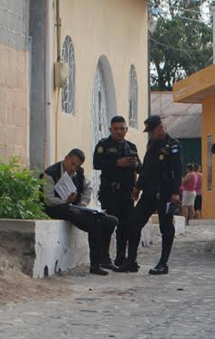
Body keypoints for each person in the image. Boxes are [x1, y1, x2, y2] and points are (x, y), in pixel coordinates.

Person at [41, 148, 117, 276]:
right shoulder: (50, 173)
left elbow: (89, 187)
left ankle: (104, 258)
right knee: (94, 225)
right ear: (66, 158)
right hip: (58, 208)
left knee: (112, 221)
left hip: (76, 208)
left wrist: (83, 202)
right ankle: (95, 265)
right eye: (72, 164)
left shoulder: (78, 173)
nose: (74, 168)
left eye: (77, 166)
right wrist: (65, 201)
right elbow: (48, 199)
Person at [125, 115, 184, 275]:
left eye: (152, 131)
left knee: (166, 226)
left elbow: (178, 172)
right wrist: (138, 187)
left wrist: (175, 193)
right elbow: (147, 169)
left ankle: (163, 263)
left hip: (165, 192)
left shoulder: (173, 145)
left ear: (160, 128)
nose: (150, 134)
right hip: (150, 191)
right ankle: (131, 261)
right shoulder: (152, 144)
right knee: (134, 222)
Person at [92, 115, 139, 271]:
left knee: (125, 226)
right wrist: (117, 163)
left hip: (127, 193)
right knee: (109, 225)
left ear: (126, 129)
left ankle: (121, 257)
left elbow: (140, 167)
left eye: (122, 128)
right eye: (116, 129)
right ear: (110, 129)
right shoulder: (103, 145)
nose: (119, 132)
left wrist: (136, 164)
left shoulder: (131, 147)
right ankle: (105, 258)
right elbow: (97, 164)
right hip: (110, 192)